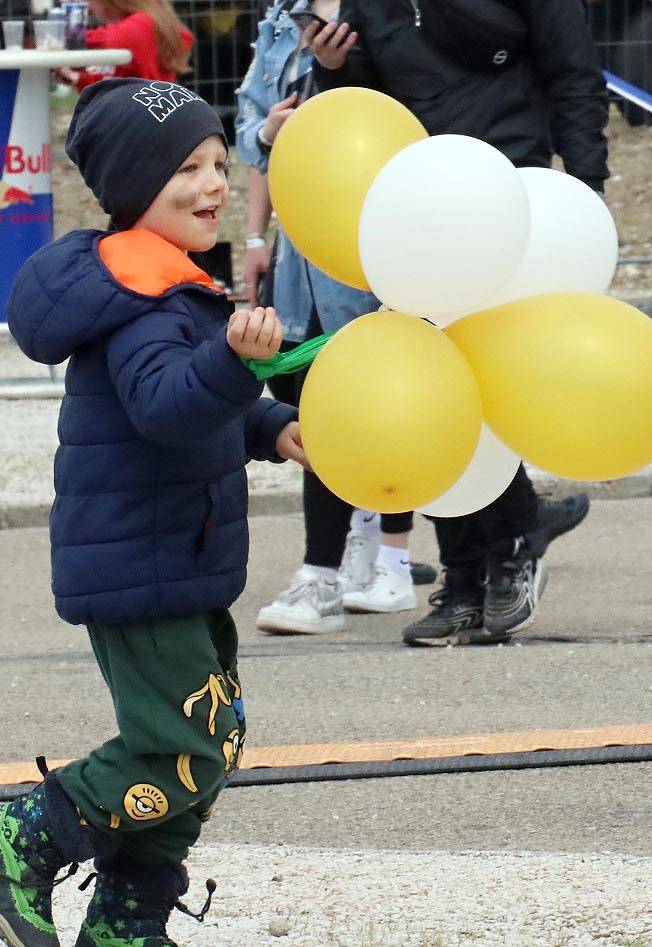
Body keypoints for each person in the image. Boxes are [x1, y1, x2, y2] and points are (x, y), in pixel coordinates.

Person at [0, 78, 304, 947]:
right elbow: (165, 406)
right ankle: (20, 834)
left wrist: (270, 426)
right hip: (140, 564)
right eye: (186, 167)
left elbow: (204, 407)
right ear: (135, 185)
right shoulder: (143, 298)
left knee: (207, 743)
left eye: (221, 164)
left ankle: (125, 929)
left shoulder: (170, 288)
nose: (213, 184)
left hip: (177, 561)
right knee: (183, 745)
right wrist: (235, 362)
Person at [307, 0, 600, 647]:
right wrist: (333, 69)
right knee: (431, 389)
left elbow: (575, 75)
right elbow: (371, 104)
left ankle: (508, 547)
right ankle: (471, 574)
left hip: (510, 195)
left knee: (491, 388)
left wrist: (586, 188)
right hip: (418, 207)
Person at [235, 0, 421, 635]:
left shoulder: (391, 18)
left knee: (385, 404)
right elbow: (249, 131)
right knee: (316, 406)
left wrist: (342, 74)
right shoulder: (281, 25)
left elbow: (408, 126)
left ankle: (378, 559)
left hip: (380, 254)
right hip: (305, 262)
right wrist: (267, 136)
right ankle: (348, 558)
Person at [64, 0, 194, 91]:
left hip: (141, 117)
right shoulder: (149, 22)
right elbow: (118, 82)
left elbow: (108, 39)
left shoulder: (140, 24)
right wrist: (77, 78)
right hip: (141, 110)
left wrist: (61, 35)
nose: (88, 6)